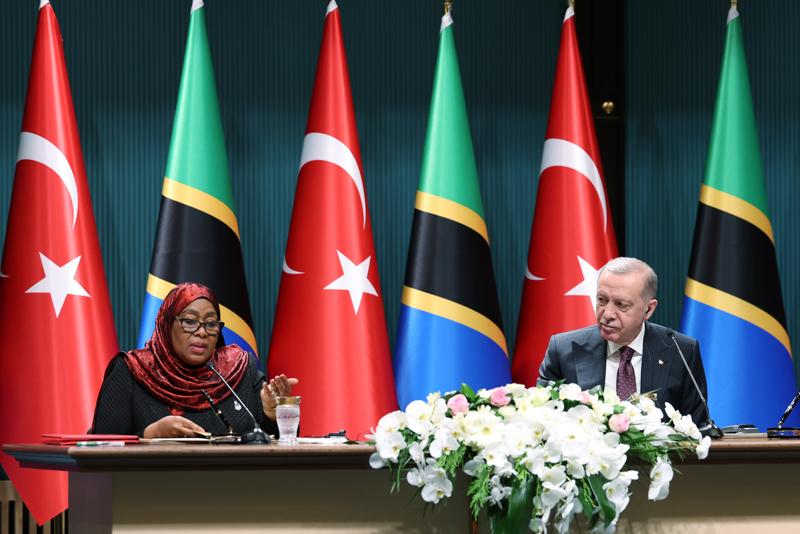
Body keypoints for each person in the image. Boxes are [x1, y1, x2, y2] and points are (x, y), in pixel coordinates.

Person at [91, 282, 298, 438]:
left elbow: (275, 441)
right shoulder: (132, 370)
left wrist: (273, 415)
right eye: (190, 321)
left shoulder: (239, 368)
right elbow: (102, 448)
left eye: (211, 323)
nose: (202, 332)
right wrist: (150, 434)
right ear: (166, 324)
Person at [537, 257, 709, 426]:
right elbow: (542, 421)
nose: (607, 314)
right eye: (602, 300)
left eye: (621, 304)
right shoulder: (563, 350)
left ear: (649, 309)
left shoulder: (681, 351)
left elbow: (699, 427)